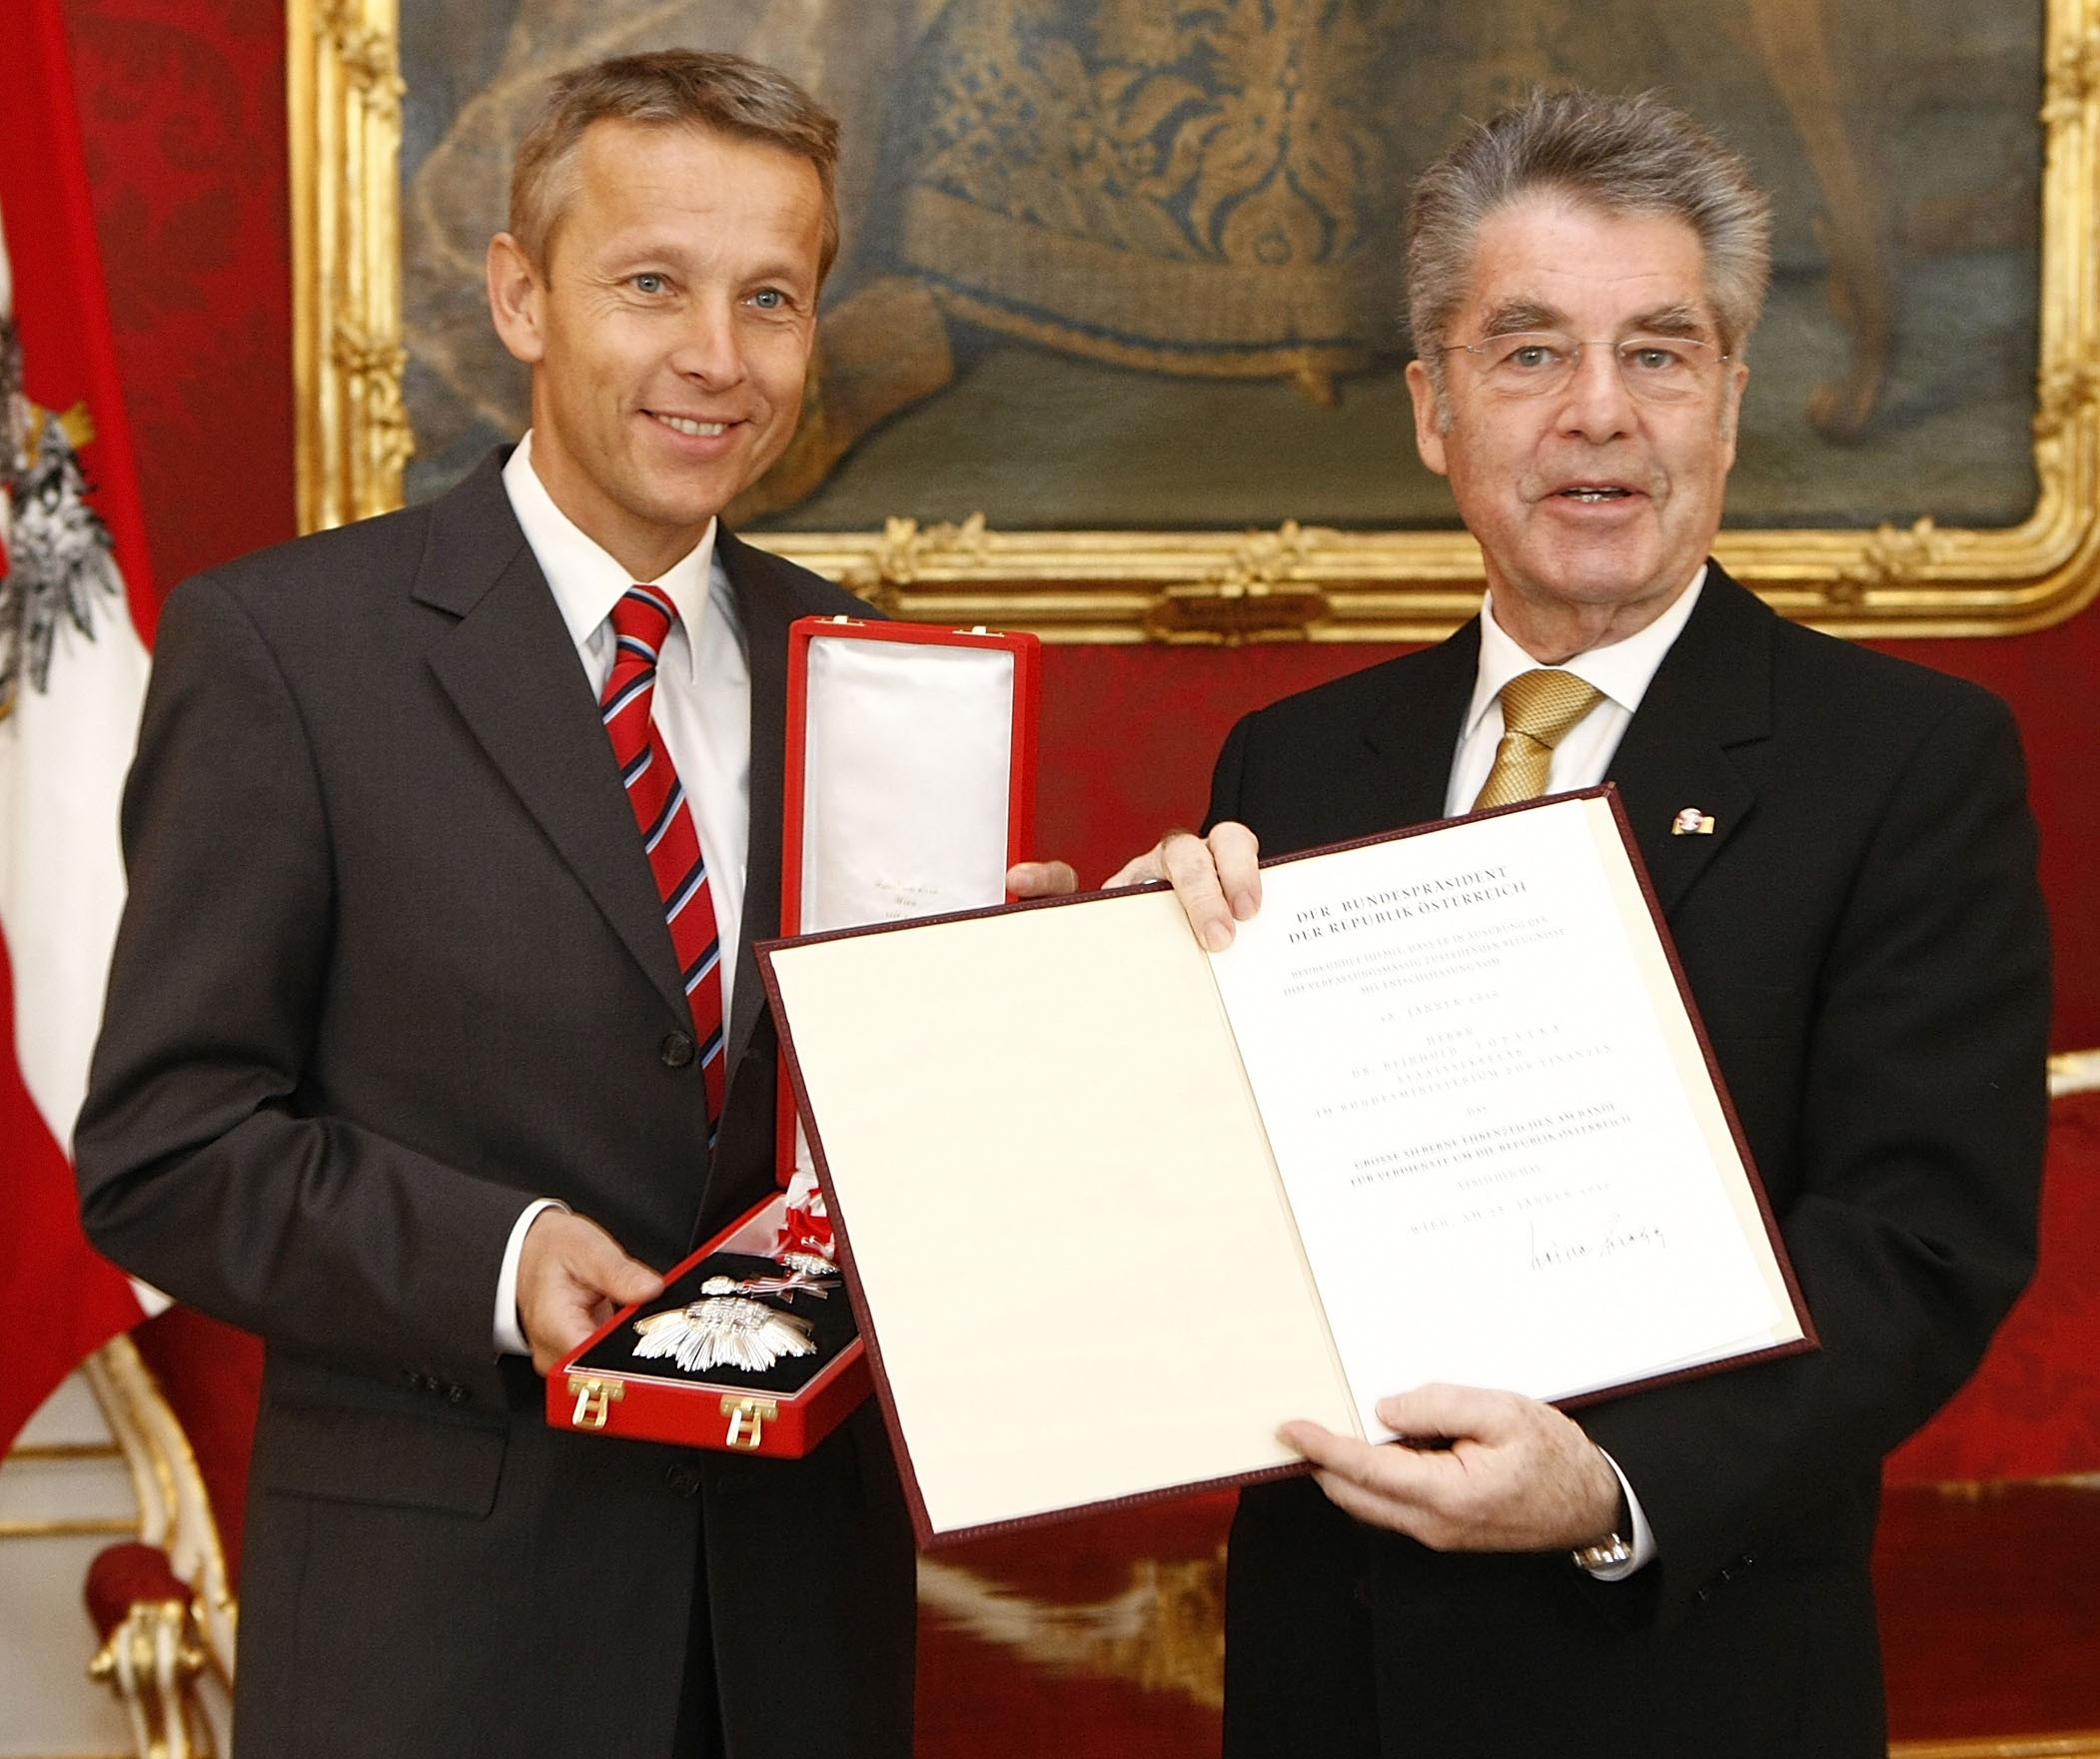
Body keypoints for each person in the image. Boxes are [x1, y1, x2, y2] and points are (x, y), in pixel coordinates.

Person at [76, 50, 1069, 1759]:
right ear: (521, 296)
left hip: (792, 1639)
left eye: (771, 296)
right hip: (443, 1649)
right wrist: (503, 1255)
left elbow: (876, 1161)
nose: (717, 356)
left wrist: (994, 1006)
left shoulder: (872, 675)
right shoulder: (291, 654)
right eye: (650, 284)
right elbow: (167, 1148)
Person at [1116, 89, 2050, 1757]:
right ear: (1433, 408)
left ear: (1730, 403)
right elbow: (1221, 1211)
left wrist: (1611, 1484)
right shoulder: (1297, 756)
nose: (1597, 417)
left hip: (1680, 1666)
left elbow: (1919, 1244)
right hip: (1327, 1673)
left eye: (1660, 353)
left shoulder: (1906, 761)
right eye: (1529, 352)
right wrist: (1104, 1008)